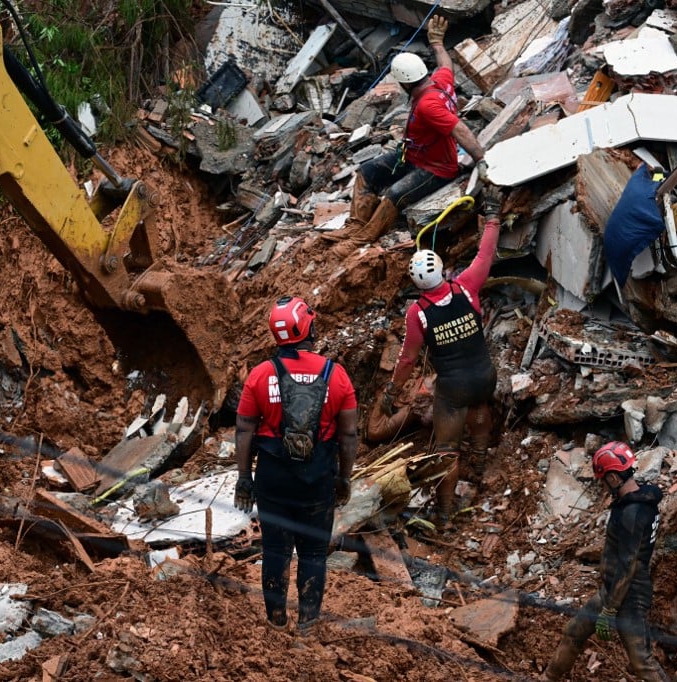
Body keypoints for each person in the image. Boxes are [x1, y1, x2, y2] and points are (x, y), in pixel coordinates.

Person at [232, 295, 358, 631]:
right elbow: (349, 435)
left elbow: (244, 429)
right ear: (307, 328)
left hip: (273, 478)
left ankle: (276, 622)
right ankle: (307, 625)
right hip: (317, 479)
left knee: (275, 551)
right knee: (313, 554)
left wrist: (244, 478)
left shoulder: (261, 374)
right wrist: (344, 479)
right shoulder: (336, 375)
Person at [323, 15, 488, 257]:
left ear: (405, 83)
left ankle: (361, 239)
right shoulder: (439, 82)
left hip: (436, 168)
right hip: (413, 156)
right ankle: (355, 225)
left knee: (394, 195)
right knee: (366, 172)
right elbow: (445, 65)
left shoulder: (428, 106)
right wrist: (437, 43)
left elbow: (459, 129)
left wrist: (480, 159)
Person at [380, 202, 500, 529]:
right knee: (480, 411)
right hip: (485, 375)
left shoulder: (417, 313)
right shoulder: (466, 286)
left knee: (447, 450)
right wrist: (492, 219)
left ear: (416, 283)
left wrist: (391, 391)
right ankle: (479, 464)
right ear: (443, 269)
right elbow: (485, 255)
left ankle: (445, 513)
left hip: (453, 388)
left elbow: (408, 359)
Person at [544, 442, 670, 682]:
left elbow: (628, 564)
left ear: (612, 478)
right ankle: (548, 678)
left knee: (642, 662)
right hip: (613, 590)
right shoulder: (638, 501)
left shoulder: (633, 513)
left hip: (629, 595)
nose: (603, 486)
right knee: (574, 632)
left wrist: (610, 609)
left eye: (603, 480)